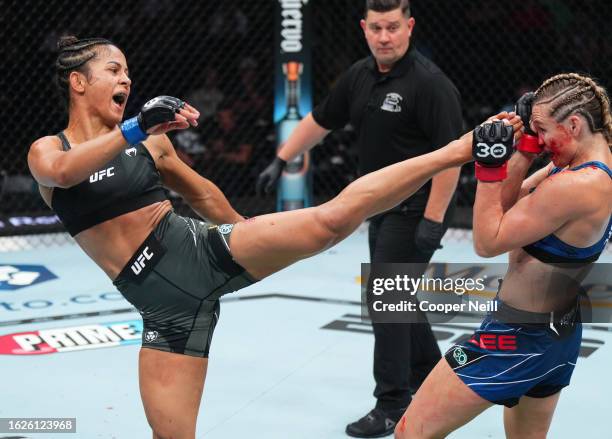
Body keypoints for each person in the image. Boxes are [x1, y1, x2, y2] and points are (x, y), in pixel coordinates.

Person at [27, 36, 520, 439]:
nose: (126, 78)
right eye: (114, 70)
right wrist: (136, 126)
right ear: (77, 82)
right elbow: (64, 173)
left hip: (194, 253)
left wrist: (253, 237)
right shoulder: (49, 150)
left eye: (127, 70)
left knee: (330, 221)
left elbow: (204, 196)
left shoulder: (152, 143)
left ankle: (459, 149)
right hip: (162, 310)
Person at [256, 0, 463, 436]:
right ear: (364, 28)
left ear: (409, 27)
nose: (384, 37)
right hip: (377, 209)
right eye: (376, 28)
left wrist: (433, 221)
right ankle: (433, 376)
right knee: (397, 298)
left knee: (386, 299)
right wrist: (283, 157)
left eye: (392, 27)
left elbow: (451, 159)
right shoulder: (359, 75)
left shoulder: (430, 84)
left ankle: (392, 404)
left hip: (416, 209)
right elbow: (321, 119)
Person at [395, 73, 612, 438]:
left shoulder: (577, 185)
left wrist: (489, 166)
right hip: (556, 335)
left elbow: (488, 239)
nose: (542, 140)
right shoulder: (581, 165)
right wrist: (525, 148)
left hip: (515, 338)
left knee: (409, 432)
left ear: (573, 124)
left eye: (543, 130)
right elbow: (508, 205)